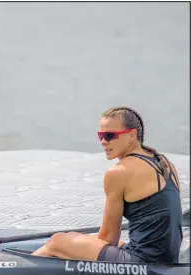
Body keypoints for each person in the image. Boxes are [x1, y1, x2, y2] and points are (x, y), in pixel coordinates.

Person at [32, 106, 183, 264]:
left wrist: (72, 247)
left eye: (110, 135)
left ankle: (20, 267)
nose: (104, 142)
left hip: (142, 263)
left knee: (57, 240)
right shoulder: (164, 162)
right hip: (168, 259)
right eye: (101, 135)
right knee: (76, 238)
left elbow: (108, 238)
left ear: (132, 135)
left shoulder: (119, 172)